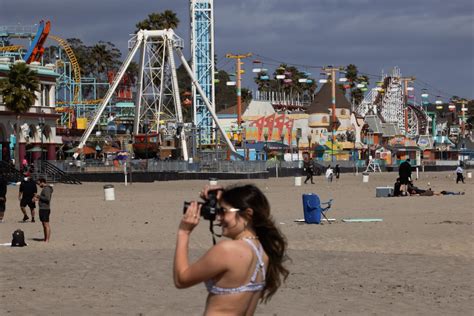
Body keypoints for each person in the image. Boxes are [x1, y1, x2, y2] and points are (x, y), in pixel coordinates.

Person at [174, 184, 289, 315]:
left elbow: (181, 279)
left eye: (223, 212)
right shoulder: (263, 253)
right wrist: (220, 199)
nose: (218, 218)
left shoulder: (228, 250)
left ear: (248, 214)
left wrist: (184, 232)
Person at [34, 178, 53, 242]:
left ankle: (47, 239)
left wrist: (39, 196)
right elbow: (44, 198)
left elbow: (47, 199)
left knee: (46, 224)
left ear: (42, 182)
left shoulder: (47, 189)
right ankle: (45, 238)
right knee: (43, 224)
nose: (39, 185)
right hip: (42, 208)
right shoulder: (45, 189)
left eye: (39, 183)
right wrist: (38, 199)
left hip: (45, 209)